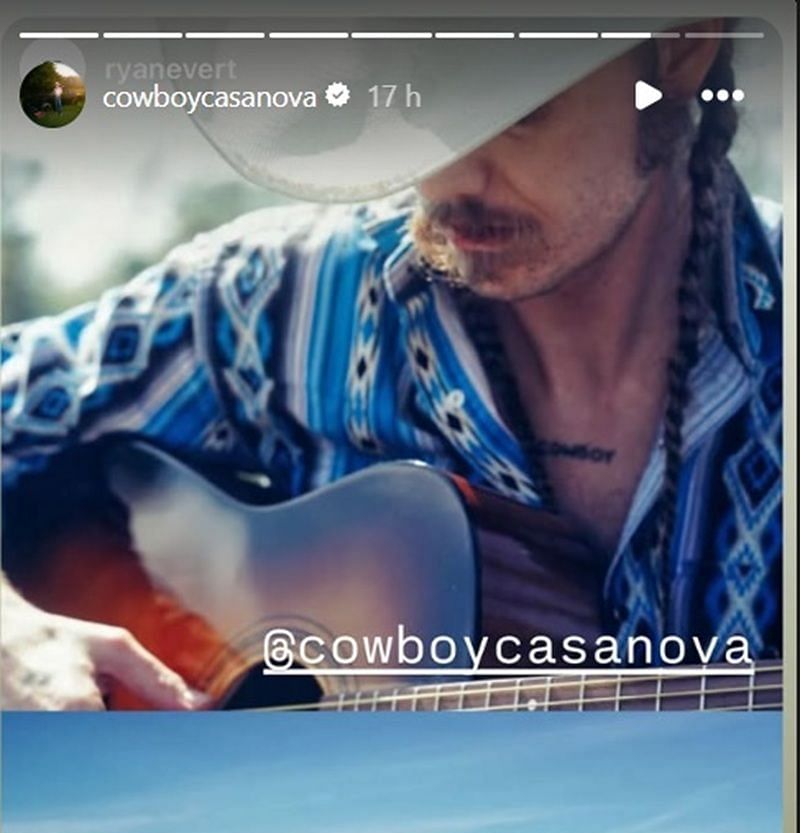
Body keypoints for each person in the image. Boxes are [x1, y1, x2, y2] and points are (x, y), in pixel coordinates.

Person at [1, 24, 781, 708]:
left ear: (680, 48)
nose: (445, 181)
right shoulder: (278, 300)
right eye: (413, 114)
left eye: (511, 115)